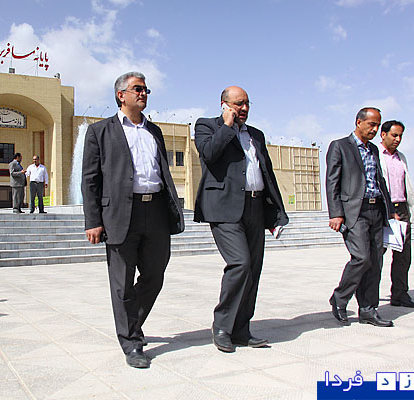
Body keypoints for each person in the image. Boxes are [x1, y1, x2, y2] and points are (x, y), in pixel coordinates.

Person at [81, 71, 184, 368]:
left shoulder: (155, 131)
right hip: (119, 214)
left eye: (146, 89)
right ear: (120, 95)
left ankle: (131, 324)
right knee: (122, 283)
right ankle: (131, 343)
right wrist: (93, 220)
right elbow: (90, 180)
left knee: (155, 275)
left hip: (156, 212)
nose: (143, 94)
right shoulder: (100, 131)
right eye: (137, 89)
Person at [194, 86, 288, 353]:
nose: (244, 109)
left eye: (247, 104)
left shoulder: (256, 134)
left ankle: (241, 329)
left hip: (255, 207)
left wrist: (275, 213)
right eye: (238, 104)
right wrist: (227, 126)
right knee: (240, 263)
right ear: (224, 104)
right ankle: (222, 327)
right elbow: (209, 154)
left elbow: (266, 173)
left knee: (253, 269)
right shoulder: (207, 126)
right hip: (224, 208)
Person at [326, 107, 397, 327]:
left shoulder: (373, 149)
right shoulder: (340, 146)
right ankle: (340, 298)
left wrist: (390, 209)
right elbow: (332, 181)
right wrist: (336, 213)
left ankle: (368, 309)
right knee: (362, 258)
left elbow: (379, 180)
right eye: (371, 124)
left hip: (377, 210)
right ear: (359, 122)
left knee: (375, 262)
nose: (375, 129)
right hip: (354, 213)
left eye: (378, 125)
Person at [378, 120, 414, 308]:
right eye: (394, 135)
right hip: (382, 210)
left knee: (403, 256)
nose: (398, 139)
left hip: (402, 209)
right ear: (383, 134)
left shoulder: (401, 157)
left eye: (400, 136)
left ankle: (400, 294)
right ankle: (367, 297)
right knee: (375, 256)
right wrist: (387, 210)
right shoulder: (375, 154)